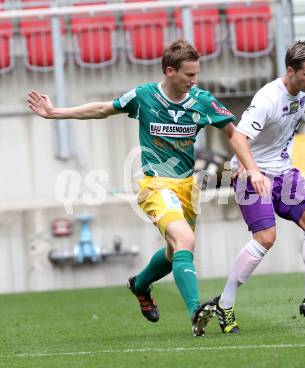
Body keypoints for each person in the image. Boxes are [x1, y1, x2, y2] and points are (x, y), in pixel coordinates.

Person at [27, 39, 266, 337]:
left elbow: (234, 133)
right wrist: (55, 112)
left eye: (196, 74)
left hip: (188, 188)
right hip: (156, 185)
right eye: (189, 75)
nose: (195, 80)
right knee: (185, 239)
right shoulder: (144, 96)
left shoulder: (202, 101)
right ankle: (195, 311)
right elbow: (103, 109)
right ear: (169, 71)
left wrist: (250, 167)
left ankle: (140, 284)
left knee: (174, 252)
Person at [213, 40, 305, 333]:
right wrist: (253, 171)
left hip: (284, 172)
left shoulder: (302, 91)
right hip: (250, 173)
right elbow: (237, 138)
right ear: (291, 71)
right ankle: (225, 303)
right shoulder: (267, 98)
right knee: (266, 238)